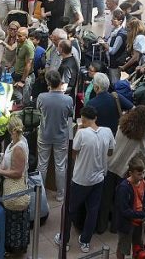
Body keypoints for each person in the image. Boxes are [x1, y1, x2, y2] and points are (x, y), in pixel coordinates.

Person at [54, 105, 114, 254]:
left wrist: (78, 131)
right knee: (92, 211)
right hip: (99, 178)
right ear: (96, 118)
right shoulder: (107, 132)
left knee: (68, 209)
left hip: (81, 180)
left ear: (84, 119)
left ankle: (64, 239)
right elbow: (111, 152)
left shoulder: (81, 133)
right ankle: (85, 241)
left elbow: (73, 154)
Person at [36, 68, 73, 201]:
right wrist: (70, 138)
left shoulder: (41, 97)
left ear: (48, 82)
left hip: (44, 135)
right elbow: (70, 119)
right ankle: (61, 194)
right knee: (60, 166)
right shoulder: (68, 100)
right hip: (61, 136)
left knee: (42, 165)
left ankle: (40, 193)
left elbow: (38, 111)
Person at [0, 113, 30, 252]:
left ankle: (15, 249)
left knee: (14, 222)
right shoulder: (17, 142)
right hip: (15, 187)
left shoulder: (18, 148)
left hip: (15, 189)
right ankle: (17, 246)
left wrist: (0, 171)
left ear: (11, 131)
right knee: (15, 221)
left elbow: (17, 173)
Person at [114, 157, 145, 259]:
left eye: (143, 173)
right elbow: (124, 211)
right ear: (130, 173)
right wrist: (142, 214)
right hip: (127, 224)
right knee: (123, 248)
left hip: (139, 223)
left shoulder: (143, 183)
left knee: (138, 247)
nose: (142, 176)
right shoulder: (123, 188)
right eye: (139, 174)